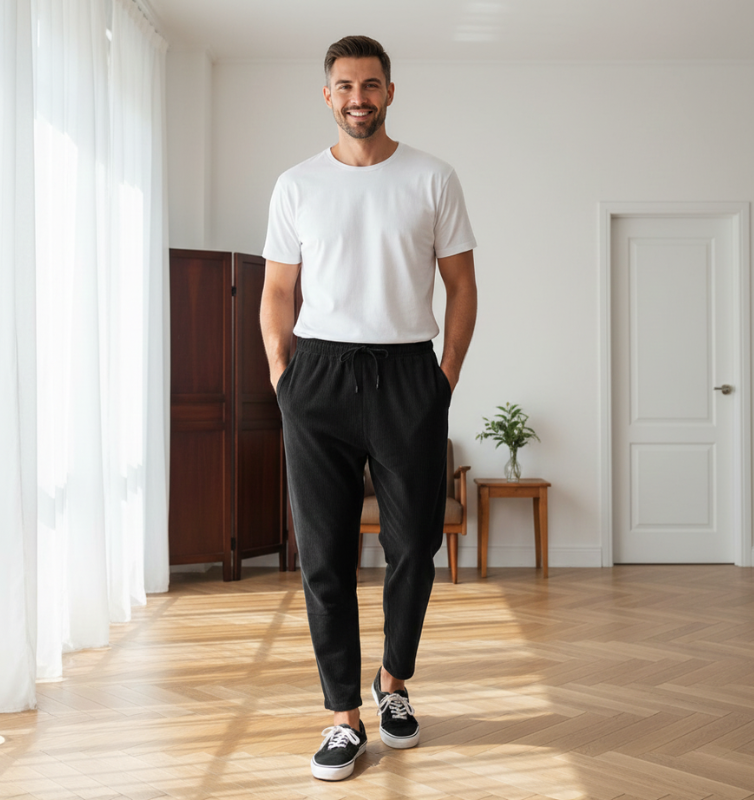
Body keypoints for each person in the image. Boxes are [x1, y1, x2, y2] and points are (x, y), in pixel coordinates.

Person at [259, 34, 477, 782]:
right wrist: (283, 378)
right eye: (346, 86)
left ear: (390, 91)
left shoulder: (433, 178)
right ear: (328, 95)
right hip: (316, 376)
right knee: (324, 554)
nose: (359, 98)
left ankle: (394, 686)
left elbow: (462, 288)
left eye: (372, 85)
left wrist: (442, 379)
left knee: (415, 543)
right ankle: (343, 715)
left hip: (408, 375)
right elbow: (278, 295)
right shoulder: (295, 185)